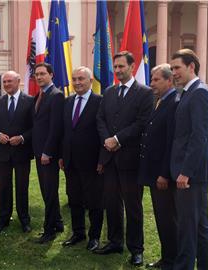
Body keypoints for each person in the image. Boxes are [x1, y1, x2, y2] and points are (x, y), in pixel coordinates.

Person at [95, 51, 153, 266]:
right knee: (111, 203)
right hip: (110, 158)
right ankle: (114, 241)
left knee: (133, 206)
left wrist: (118, 139)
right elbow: (100, 119)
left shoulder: (145, 93)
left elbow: (142, 122)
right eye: (116, 67)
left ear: (132, 66)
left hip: (131, 160)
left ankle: (136, 249)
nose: (118, 70)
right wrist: (107, 140)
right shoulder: (109, 92)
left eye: (122, 66)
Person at [170, 48, 208, 270]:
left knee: (191, 226)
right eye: (171, 69)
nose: (174, 73)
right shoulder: (187, 92)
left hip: (192, 174)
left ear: (191, 66)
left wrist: (186, 171)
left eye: (177, 68)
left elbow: (199, 137)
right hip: (188, 171)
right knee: (197, 225)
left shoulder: (199, 92)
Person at [137, 64, 178, 269]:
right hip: (153, 172)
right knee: (162, 218)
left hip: (163, 175)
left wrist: (164, 174)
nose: (151, 83)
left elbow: (170, 143)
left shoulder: (173, 103)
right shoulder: (160, 100)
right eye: (151, 79)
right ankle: (167, 257)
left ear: (169, 81)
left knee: (167, 218)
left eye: (156, 80)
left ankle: (171, 260)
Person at [59, 67, 104, 251]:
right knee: (74, 199)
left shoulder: (100, 102)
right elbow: (65, 132)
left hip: (92, 162)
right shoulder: (68, 101)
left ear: (90, 80)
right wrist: (62, 155)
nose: (77, 82)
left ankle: (94, 236)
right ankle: (78, 233)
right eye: (74, 79)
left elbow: (103, 133)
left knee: (94, 201)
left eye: (81, 79)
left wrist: (102, 160)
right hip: (70, 161)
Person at [0, 71, 34, 233]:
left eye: (10, 81)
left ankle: (24, 219)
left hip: (21, 152)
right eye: (4, 82)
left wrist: (22, 138)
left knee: (22, 187)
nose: (7, 84)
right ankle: (3, 219)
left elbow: (34, 128)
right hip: (3, 153)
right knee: (4, 187)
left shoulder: (29, 101)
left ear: (18, 81)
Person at [32, 62, 64, 244]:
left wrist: (48, 152)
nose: (39, 77)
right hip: (39, 151)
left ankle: (49, 230)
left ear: (51, 75)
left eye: (43, 74)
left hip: (47, 154)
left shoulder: (56, 96)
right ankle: (58, 222)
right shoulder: (40, 95)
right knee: (46, 190)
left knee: (50, 191)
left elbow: (55, 128)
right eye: (36, 74)